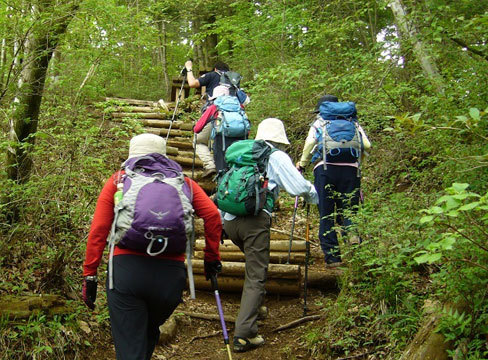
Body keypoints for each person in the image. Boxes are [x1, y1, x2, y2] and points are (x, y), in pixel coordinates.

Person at [81, 133, 223, 360]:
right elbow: (213, 216)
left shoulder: (118, 181)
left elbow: (98, 230)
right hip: (170, 278)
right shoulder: (185, 183)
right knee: (147, 333)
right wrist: (211, 257)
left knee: (131, 346)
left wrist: (90, 274)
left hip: (126, 273)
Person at [222, 118, 318, 352]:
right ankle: (244, 335)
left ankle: (257, 307)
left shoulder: (243, 152)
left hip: (230, 221)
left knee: (253, 267)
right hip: (254, 222)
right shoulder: (274, 156)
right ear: (279, 139)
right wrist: (314, 195)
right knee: (256, 275)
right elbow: (298, 187)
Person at [296, 95, 372, 268]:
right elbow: (367, 146)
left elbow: (309, 145)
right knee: (349, 211)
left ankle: (333, 258)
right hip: (351, 171)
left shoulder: (320, 122)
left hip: (325, 170)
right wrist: (358, 164)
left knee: (326, 213)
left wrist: (302, 164)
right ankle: (353, 243)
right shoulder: (353, 123)